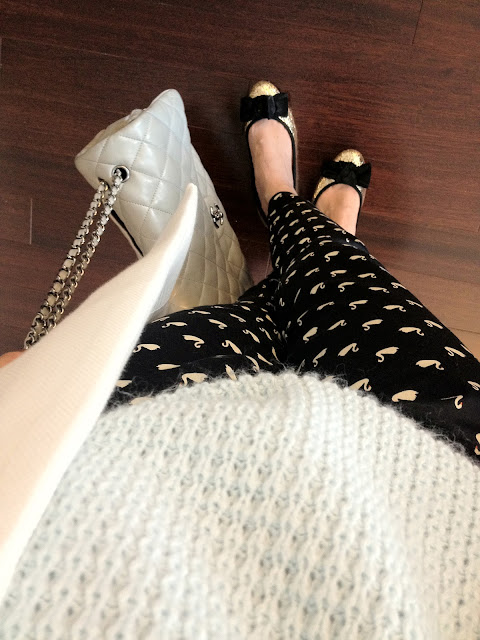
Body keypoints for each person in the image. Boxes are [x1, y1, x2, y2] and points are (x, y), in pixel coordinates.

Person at [1, 81, 479, 638]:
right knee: (344, 302)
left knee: (252, 327)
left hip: (126, 461)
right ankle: (299, 221)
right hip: (447, 480)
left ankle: (302, 226)